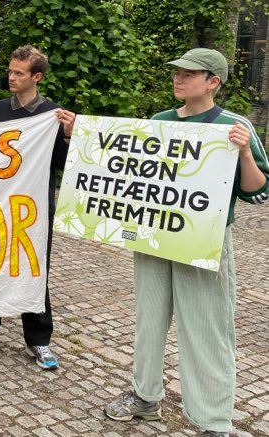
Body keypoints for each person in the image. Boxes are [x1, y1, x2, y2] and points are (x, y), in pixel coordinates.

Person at [104, 48, 268, 437]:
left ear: (213, 82)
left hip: (204, 241)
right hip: (155, 237)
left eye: (189, 74)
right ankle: (145, 397)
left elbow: (258, 192)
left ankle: (214, 421)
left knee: (208, 326)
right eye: (177, 72)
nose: (178, 79)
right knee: (149, 319)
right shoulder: (159, 122)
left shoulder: (233, 125)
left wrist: (244, 150)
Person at [0, 45, 75, 370]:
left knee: (34, 268)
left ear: (36, 76)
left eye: (19, 73)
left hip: (36, 207)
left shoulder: (51, 114)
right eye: (10, 71)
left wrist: (68, 136)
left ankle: (38, 340)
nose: (11, 77)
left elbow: (61, 164)